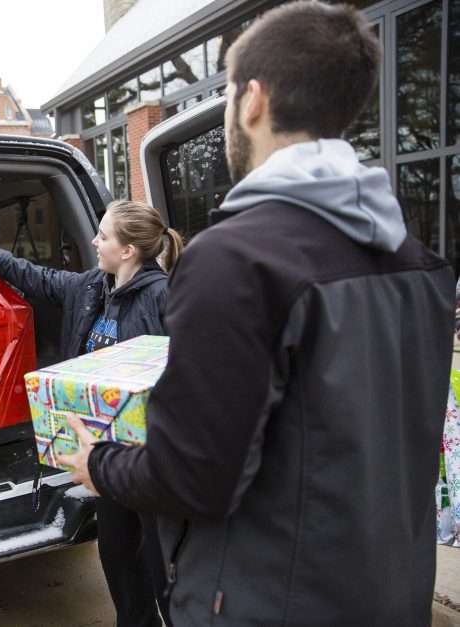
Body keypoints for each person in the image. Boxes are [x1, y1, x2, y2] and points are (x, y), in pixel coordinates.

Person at [59, 3, 455, 625]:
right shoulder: (422, 264)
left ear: (251, 101)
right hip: (390, 596)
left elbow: (195, 477)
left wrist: (99, 464)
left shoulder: (235, 261)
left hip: (265, 603)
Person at [0, 199, 183, 627]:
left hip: (151, 461)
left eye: (103, 235)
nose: (94, 241)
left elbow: (191, 373)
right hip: (102, 457)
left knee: (169, 574)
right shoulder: (91, 287)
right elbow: (38, 277)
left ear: (128, 250)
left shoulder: (165, 296)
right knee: (118, 560)